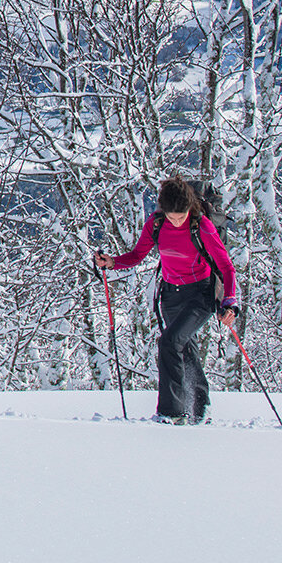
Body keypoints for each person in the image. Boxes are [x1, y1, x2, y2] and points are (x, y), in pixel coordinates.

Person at [94, 176, 240, 424]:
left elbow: (226, 266)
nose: (176, 220)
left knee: (170, 342)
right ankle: (200, 409)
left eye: (180, 216)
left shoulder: (201, 225)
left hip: (201, 294)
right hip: (171, 295)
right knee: (184, 349)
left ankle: (172, 413)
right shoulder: (157, 224)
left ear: (189, 208)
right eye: (171, 216)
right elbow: (138, 255)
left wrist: (230, 302)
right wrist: (113, 262)